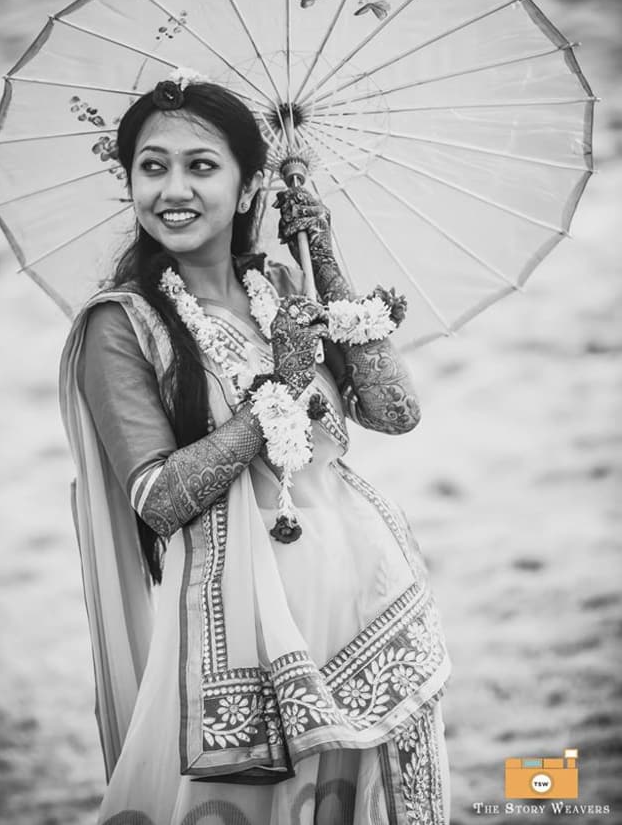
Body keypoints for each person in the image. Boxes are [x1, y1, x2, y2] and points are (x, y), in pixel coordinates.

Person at [59, 72, 451, 825]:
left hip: (369, 606)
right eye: (152, 165)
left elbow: (394, 411)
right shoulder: (123, 326)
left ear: (247, 189)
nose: (173, 187)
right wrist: (283, 380)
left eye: (201, 165)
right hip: (244, 642)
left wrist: (325, 257)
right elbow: (160, 497)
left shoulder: (277, 280)